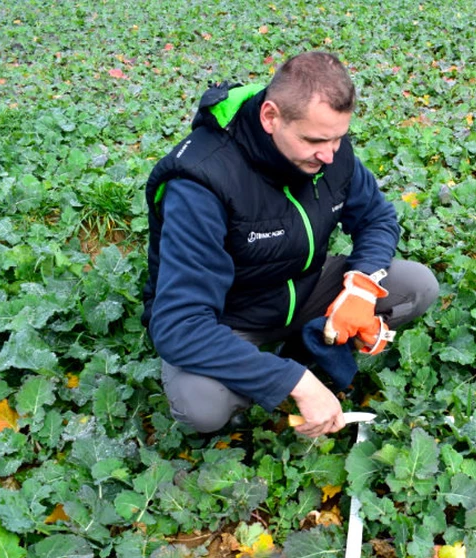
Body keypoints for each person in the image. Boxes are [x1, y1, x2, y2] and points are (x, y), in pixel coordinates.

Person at [140, 51, 438, 439]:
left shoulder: (329, 151)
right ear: (270, 117)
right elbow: (179, 325)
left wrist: (361, 285)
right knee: (202, 406)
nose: (329, 154)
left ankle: (306, 342)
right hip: (230, 318)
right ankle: (285, 369)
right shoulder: (201, 181)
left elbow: (377, 218)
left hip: (304, 286)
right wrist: (295, 382)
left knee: (418, 287)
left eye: (338, 138)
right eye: (314, 140)